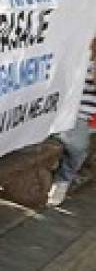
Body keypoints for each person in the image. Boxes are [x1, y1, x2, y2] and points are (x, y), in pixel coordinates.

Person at [48, 37, 96, 206]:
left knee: (77, 145)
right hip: (65, 110)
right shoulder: (76, 57)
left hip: (86, 115)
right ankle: (60, 176)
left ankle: (63, 179)